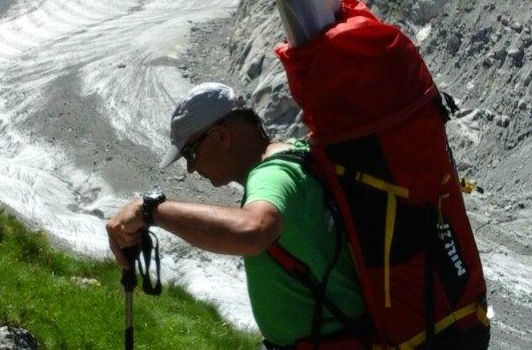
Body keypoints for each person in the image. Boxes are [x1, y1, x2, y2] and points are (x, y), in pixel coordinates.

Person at [106, 82, 367, 349]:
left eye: (191, 153)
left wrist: (150, 211)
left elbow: (253, 231)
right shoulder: (295, 155)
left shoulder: (272, 177)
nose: (191, 168)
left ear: (221, 136)